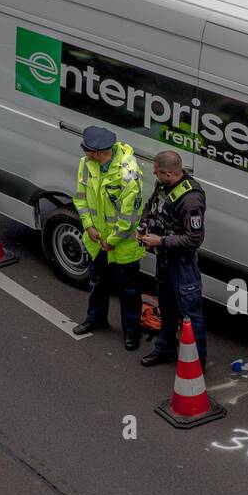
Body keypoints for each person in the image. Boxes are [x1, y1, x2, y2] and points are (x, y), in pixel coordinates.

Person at [71, 126, 146, 350]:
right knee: (97, 283)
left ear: (97, 152)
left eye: (86, 149)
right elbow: (81, 198)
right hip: (97, 241)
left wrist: (111, 241)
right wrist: (88, 226)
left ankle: (132, 332)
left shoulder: (128, 174)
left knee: (129, 291)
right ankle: (95, 319)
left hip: (123, 246)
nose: (84, 152)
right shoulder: (86, 164)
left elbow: (129, 217)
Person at [137, 151, 207, 366]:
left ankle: (196, 361)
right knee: (166, 309)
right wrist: (144, 225)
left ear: (168, 173)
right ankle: (165, 349)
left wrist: (161, 241)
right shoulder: (164, 185)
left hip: (182, 265)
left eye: (156, 171)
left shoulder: (191, 198)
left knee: (190, 314)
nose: (153, 173)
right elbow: (151, 206)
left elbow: (194, 238)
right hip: (164, 260)